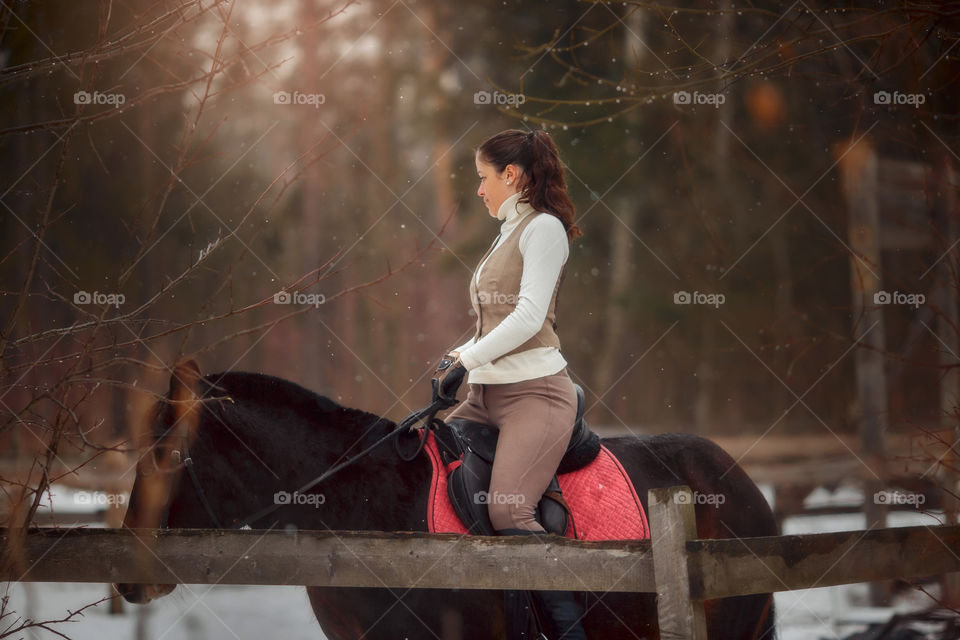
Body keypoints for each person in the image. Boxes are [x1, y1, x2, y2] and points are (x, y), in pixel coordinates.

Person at [433, 128, 587, 640]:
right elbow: (490, 322)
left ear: (512, 175)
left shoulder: (544, 229)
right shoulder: (507, 231)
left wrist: (467, 358)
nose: (479, 190)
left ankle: (568, 636)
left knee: (507, 509)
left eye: (483, 179)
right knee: (420, 462)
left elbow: (527, 317)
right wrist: (458, 357)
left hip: (535, 397)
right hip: (484, 396)